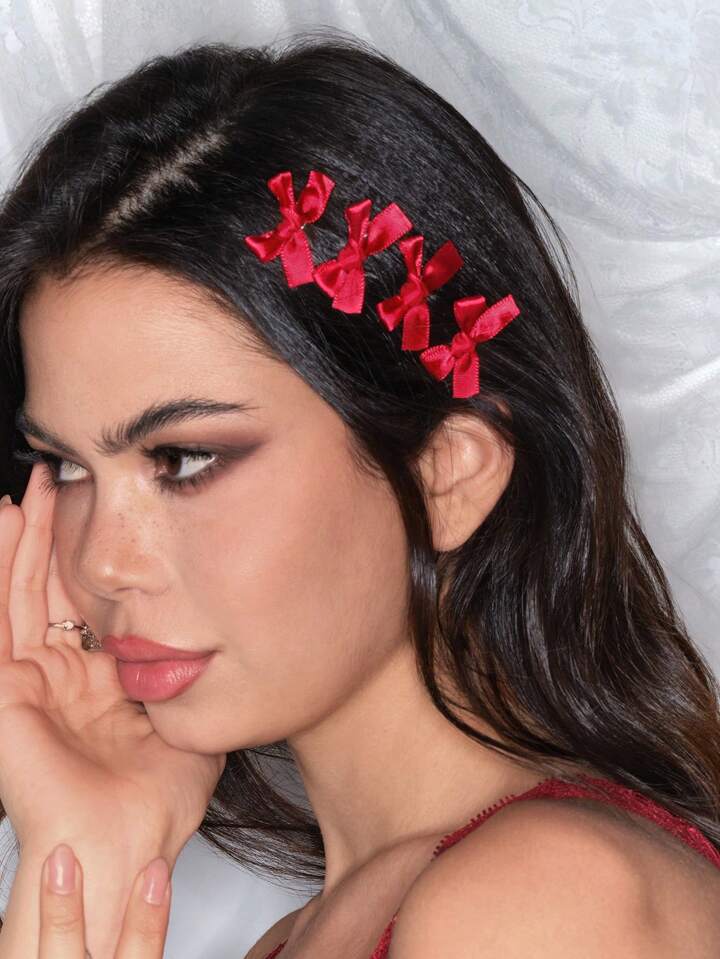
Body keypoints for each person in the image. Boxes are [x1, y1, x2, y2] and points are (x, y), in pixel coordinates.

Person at [0, 28, 718, 959]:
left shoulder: (541, 906)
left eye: (183, 459)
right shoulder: (303, 936)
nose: (101, 560)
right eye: (66, 467)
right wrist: (88, 857)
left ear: (447, 470)